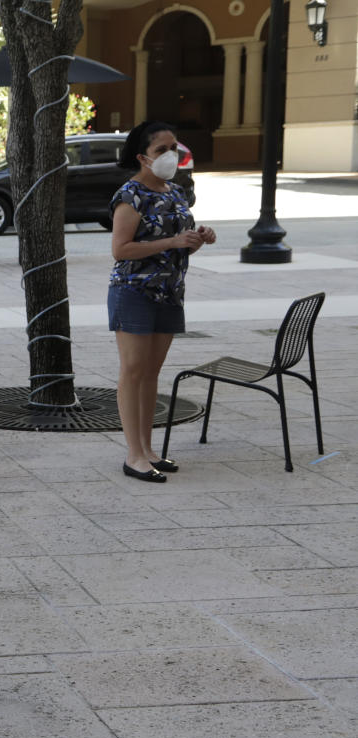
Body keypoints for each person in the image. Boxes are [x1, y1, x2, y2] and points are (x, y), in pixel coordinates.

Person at [109, 121, 216, 482]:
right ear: (142, 157)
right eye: (161, 150)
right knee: (133, 371)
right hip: (134, 292)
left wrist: (199, 237)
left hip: (170, 293)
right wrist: (171, 243)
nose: (171, 154)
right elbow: (121, 250)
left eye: (174, 147)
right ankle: (133, 455)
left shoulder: (175, 192)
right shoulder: (131, 195)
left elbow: (180, 236)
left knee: (151, 373)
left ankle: (148, 449)